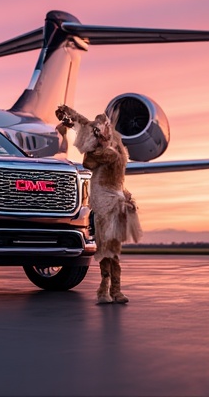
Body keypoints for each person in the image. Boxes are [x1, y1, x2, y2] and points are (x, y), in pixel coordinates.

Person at [56, 104, 142, 304]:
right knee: (108, 249)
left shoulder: (110, 154)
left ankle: (111, 290)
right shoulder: (109, 152)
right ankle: (111, 290)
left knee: (109, 249)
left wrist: (75, 124)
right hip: (106, 203)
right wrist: (74, 119)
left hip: (110, 204)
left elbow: (88, 161)